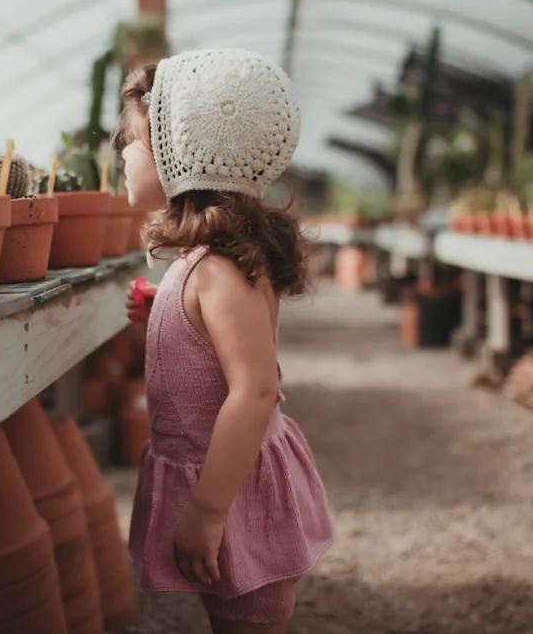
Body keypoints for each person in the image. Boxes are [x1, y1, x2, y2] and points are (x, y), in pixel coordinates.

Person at [113, 48, 334, 633]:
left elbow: (255, 390)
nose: (122, 156)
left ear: (175, 157)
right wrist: (166, 311)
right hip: (227, 474)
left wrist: (208, 513)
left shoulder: (217, 269)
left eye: (130, 143)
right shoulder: (210, 265)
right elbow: (221, 339)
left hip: (231, 489)